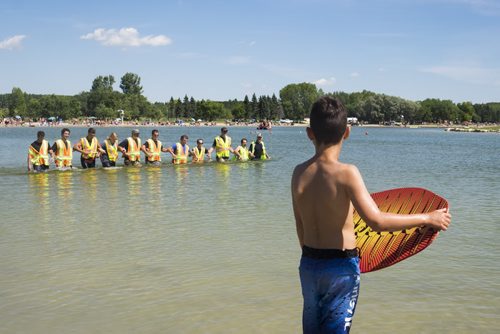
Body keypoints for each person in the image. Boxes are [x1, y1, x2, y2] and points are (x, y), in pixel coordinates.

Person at [291, 96, 451, 333]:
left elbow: (300, 226)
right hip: (340, 268)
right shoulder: (347, 173)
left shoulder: (298, 173)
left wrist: (311, 258)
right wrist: (427, 218)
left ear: (309, 133)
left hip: (309, 264)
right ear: (347, 132)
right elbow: (376, 221)